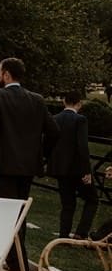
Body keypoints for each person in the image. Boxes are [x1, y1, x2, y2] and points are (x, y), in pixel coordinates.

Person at [0, 57, 59, 271]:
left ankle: (17, 266)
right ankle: (16, 263)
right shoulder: (37, 100)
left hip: (4, 165)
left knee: (8, 216)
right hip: (27, 167)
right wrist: (42, 155)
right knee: (19, 215)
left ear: (7, 75)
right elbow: (53, 130)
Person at [49, 90, 98, 239]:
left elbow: (48, 143)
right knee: (92, 200)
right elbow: (82, 146)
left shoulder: (55, 119)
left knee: (67, 203)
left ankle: (64, 234)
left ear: (64, 101)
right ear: (79, 104)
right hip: (77, 169)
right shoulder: (80, 120)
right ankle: (81, 232)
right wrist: (87, 171)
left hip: (60, 169)